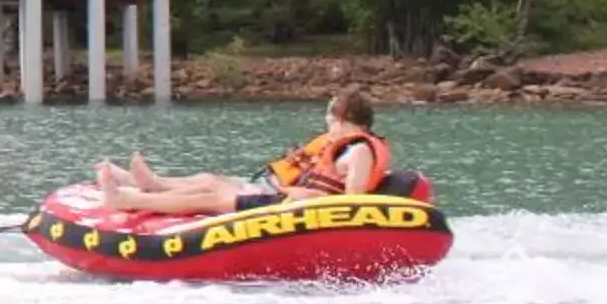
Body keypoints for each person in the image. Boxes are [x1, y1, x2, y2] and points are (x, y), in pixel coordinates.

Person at [93, 90, 390, 219]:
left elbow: (353, 202)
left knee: (210, 197)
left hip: (294, 206)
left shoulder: (360, 150)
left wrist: (299, 198)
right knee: (211, 184)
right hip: (289, 198)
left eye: (329, 115)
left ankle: (127, 198)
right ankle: (148, 185)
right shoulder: (349, 147)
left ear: (341, 117)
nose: (326, 122)